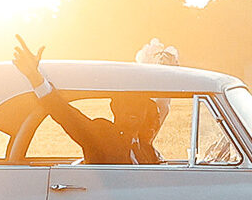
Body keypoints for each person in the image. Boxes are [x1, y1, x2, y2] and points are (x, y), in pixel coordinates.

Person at [12, 36, 163, 164]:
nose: (133, 109)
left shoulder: (145, 150)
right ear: (114, 108)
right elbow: (68, 116)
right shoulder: (102, 134)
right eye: (126, 103)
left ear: (146, 111)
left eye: (139, 104)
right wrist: (35, 77)